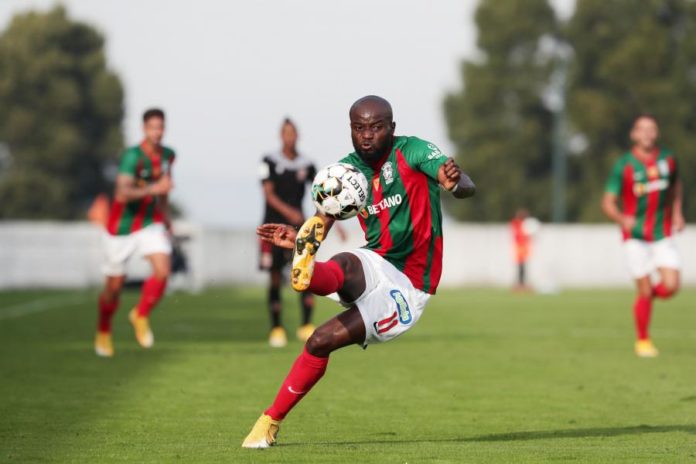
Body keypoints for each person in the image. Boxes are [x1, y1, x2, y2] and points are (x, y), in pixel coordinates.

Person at [242, 95, 476, 448]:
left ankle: (309, 278)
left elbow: (460, 183)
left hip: (409, 284)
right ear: (351, 129)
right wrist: (300, 240)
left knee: (319, 341)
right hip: (376, 259)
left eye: (376, 127)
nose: (367, 135)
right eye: (359, 128)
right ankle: (267, 422)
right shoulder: (346, 172)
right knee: (347, 262)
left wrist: (456, 183)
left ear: (391, 128)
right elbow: (323, 220)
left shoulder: (413, 151)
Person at [94, 108, 175, 357]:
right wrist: (153, 189)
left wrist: (167, 217)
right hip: (122, 227)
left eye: (160, 127)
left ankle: (140, 314)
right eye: (153, 128)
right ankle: (104, 330)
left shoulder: (168, 155)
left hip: (150, 222)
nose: (157, 132)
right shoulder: (132, 156)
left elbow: (164, 189)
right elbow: (122, 193)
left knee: (163, 271)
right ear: (144, 129)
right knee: (114, 287)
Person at [601, 114, 684, 358]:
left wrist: (677, 213)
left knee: (671, 286)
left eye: (652, 129)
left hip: (661, 233)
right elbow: (607, 202)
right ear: (633, 134)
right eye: (642, 129)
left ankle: (644, 301)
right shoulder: (624, 165)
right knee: (645, 290)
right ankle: (643, 340)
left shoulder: (668, 159)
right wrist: (621, 218)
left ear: (657, 133)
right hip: (635, 236)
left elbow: (676, 186)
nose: (647, 133)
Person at [259, 118, 317, 347]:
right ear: (280, 136)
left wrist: (338, 223)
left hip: (298, 228)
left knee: (304, 271)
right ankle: (276, 328)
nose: (289, 137)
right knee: (274, 276)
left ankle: (306, 326)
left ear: (297, 135)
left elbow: (321, 194)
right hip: (273, 228)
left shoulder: (307, 164)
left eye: (293, 133)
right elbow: (268, 194)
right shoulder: (268, 161)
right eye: (286, 133)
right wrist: (289, 212)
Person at [510, 208, 533, 292]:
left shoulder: (522, 223)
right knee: (521, 266)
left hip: (522, 246)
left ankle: (521, 283)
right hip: (520, 246)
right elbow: (520, 234)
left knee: (522, 266)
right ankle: (520, 284)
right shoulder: (516, 223)